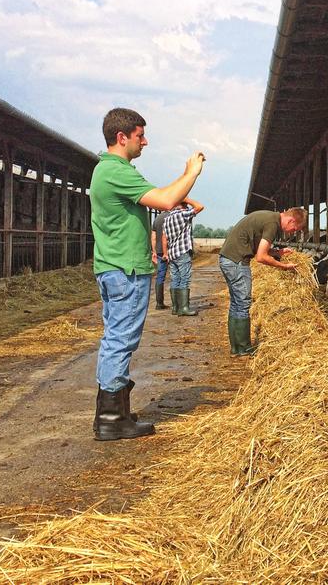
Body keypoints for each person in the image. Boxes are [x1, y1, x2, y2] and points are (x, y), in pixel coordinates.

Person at [89, 107, 206, 442]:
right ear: (122, 137)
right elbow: (168, 199)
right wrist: (192, 172)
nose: (145, 141)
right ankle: (111, 418)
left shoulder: (107, 171)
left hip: (113, 266)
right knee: (121, 340)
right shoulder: (116, 171)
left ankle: (116, 410)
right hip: (126, 270)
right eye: (140, 135)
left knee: (114, 338)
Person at [219, 207, 306, 356]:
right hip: (237, 261)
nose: (292, 232)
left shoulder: (269, 217)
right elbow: (261, 257)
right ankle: (243, 347)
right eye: (294, 229)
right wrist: (284, 267)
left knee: (236, 304)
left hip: (228, 258)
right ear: (291, 220)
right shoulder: (273, 224)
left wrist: (278, 252)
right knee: (243, 303)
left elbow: (259, 249)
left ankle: (236, 347)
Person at [163, 198, 204, 316]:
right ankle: (184, 308)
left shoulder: (167, 218)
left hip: (172, 254)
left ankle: (175, 308)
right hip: (182, 252)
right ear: (184, 205)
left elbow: (164, 238)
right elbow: (199, 207)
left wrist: (166, 254)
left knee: (175, 279)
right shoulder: (183, 214)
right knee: (184, 280)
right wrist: (185, 198)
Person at [150, 210, 169, 310]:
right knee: (177, 275)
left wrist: (154, 251)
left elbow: (153, 236)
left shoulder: (157, 219)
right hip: (169, 250)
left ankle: (159, 303)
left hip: (159, 251)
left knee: (160, 276)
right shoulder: (170, 216)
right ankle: (178, 304)